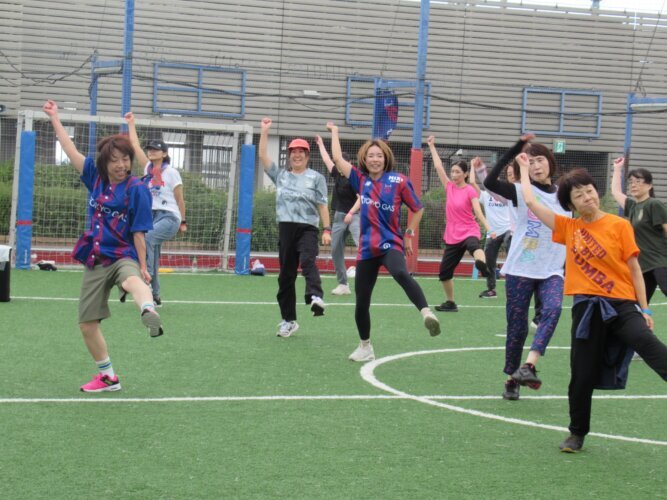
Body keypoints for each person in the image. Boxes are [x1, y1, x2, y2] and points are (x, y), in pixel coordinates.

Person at [516, 156, 667, 452]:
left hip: (622, 306)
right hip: (586, 310)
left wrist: (645, 308)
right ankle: (577, 433)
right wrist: (523, 169)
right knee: (581, 375)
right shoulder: (568, 227)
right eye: (578, 195)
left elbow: (635, 269)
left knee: (651, 347)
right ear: (570, 204)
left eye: (589, 190)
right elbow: (531, 202)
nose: (587, 197)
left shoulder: (619, 225)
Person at [43, 100, 163, 393]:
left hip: (123, 254)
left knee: (133, 280)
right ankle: (108, 377)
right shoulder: (94, 177)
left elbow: (139, 232)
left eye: (126, 159)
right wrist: (55, 117)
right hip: (96, 257)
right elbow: (69, 148)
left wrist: (144, 266)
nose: (122, 165)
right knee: (87, 323)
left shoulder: (137, 189)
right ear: (104, 163)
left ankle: (148, 310)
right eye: (115, 160)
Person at [327, 122, 440, 362]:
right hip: (367, 249)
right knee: (362, 302)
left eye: (379, 155)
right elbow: (337, 159)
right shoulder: (360, 180)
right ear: (364, 159)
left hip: (390, 243)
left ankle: (427, 314)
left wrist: (408, 233)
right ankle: (365, 346)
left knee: (400, 273)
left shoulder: (399, 181)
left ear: (385, 158)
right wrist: (335, 132)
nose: (375, 159)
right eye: (371, 156)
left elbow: (418, 208)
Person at [484, 134, 570, 401]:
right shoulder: (521, 191)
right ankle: (512, 379)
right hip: (521, 269)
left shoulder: (565, 195)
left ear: (550, 162)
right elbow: (489, 183)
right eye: (530, 162)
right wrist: (515, 148)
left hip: (552, 269)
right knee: (517, 327)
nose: (536, 166)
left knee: (553, 309)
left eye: (540, 160)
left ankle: (529, 365)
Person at [259, 118, 331, 338]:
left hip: (308, 228)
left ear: (307, 156)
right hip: (286, 228)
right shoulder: (281, 176)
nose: (297, 155)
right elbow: (263, 155)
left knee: (308, 260)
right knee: (285, 276)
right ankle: (288, 321)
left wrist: (327, 229)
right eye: (293, 152)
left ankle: (316, 297)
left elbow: (322, 205)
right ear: (289, 155)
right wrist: (265, 131)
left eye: (301, 152)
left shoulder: (316, 178)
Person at [125, 112, 186, 306]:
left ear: (164, 153)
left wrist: (183, 221)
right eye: (150, 150)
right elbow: (135, 145)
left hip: (169, 216)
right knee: (154, 253)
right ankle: (156, 295)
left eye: (155, 150)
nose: (151, 152)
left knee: (147, 239)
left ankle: (147, 278)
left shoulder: (172, 172)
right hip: (151, 216)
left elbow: (180, 199)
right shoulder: (148, 169)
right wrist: (131, 123)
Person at [427, 136, 491, 313]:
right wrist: (431, 146)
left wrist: (488, 228)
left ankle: (482, 265)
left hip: (469, 230)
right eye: (452, 172)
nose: (454, 175)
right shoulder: (449, 187)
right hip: (452, 235)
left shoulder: (470, 190)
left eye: (457, 172)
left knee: (474, 246)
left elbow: (478, 211)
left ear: (465, 174)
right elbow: (438, 167)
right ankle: (450, 302)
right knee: (444, 273)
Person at [611, 159, 667, 303]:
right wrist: (617, 169)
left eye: (638, 181)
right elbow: (616, 192)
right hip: (643, 266)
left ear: (649, 185)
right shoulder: (632, 207)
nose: (633, 185)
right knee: (637, 304)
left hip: (660, 262)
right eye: (631, 182)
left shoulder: (653, 204)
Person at [315, 135, 361, 296]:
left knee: (361, 244)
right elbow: (327, 159)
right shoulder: (337, 174)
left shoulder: (354, 178)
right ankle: (343, 284)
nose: (339, 166)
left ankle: (366, 275)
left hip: (355, 216)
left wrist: (351, 213)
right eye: (338, 164)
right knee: (335, 250)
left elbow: (361, 198)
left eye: (342, 163)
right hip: (339, 217)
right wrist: (320, 144)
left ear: (349, 164)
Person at [471, 157, 513, 299]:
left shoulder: (507, 193)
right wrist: (473, 167)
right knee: (489, 262)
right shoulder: (484, 195)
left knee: (510, 241)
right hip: (493, 233)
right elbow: (472, 182)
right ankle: (491, 290)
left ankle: (512, 280)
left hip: (508, 229)